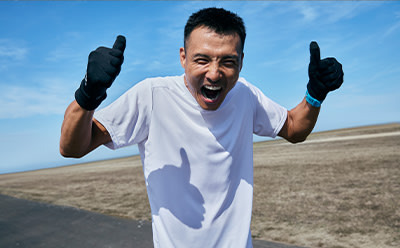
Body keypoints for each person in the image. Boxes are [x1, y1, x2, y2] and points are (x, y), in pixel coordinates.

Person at [60, 7, 343, 248]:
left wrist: (315, 94)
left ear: (241, 62)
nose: (214, 73)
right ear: (183, 57)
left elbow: (294, 128)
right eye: (202, 59)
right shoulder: (152, 95)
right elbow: (73, 147)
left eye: (228, 62)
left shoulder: (245, 95)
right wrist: (88, 93)